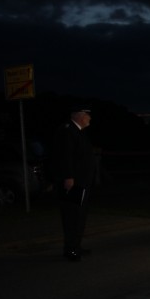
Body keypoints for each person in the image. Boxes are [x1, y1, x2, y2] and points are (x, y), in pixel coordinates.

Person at [52, 104, 96, 262]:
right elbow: (65, 156)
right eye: (87, 114)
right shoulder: (67, 131)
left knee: (79, 215)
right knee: (72, 215)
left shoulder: (78, 132)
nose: (89, 118)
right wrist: (68, 176)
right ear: (79, 115)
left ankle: (76, 245)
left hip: (82, 181)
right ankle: (70, 249)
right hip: (74, 183)